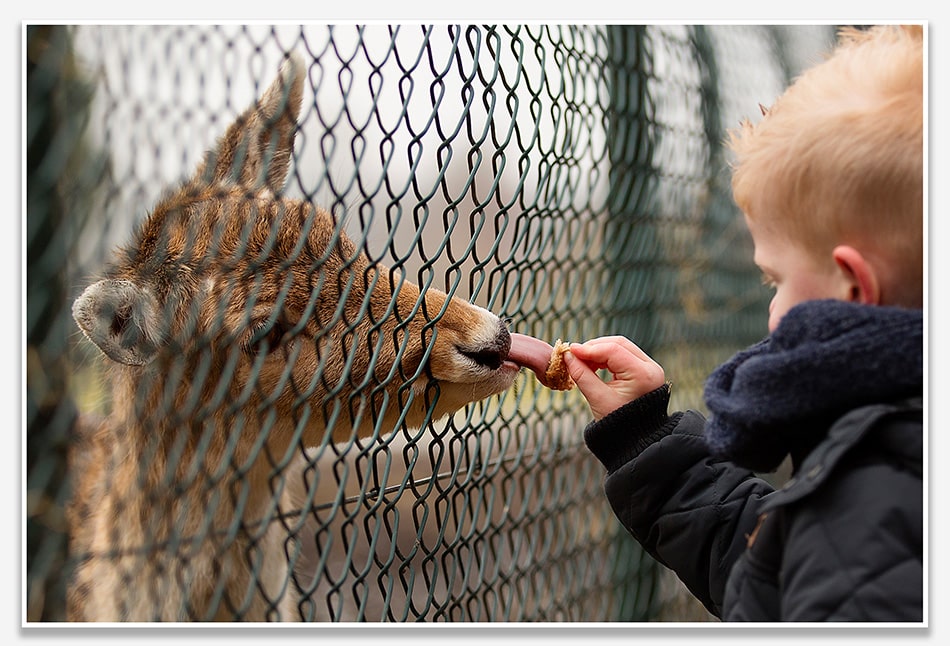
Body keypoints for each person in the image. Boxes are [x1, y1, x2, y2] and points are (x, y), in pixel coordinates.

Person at [563, 24, 924, 622]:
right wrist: (647, 441)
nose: (772, 307)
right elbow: (782, 572)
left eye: (774, 279)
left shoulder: (870, 503)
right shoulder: (890, 474)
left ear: (854, 288)